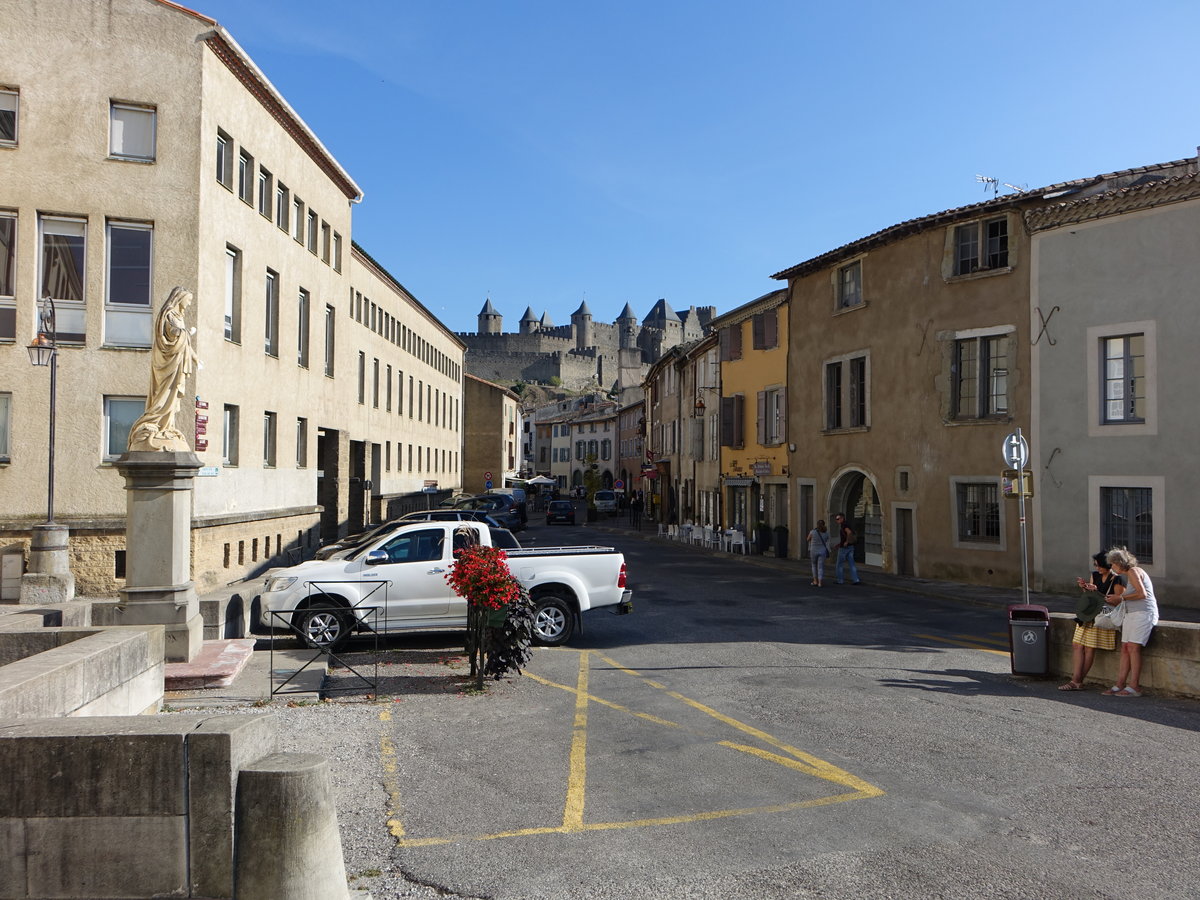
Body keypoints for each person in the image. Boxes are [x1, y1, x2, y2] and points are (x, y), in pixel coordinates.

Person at [127, 286, 198, 452]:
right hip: (167, 363)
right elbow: (172, 333)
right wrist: (188, 332)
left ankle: (166, 426)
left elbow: (185, 344)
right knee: (164, 394)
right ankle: (153, 423)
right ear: (180, 298)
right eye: (188, 300)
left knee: (173, 398)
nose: (189, 304)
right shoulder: (169, 314)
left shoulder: (179, 316)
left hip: (176, 363)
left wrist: (195, 359)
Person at [1059, 552, 1123, 691]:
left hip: (1101, 617)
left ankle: (1077, 681)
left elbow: (1118, 601)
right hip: (1088, 614)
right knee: (1077, 645)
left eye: (1099, 565)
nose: (1097, 567)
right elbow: (1090, 596)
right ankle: (1076, 680)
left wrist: (1098, 591)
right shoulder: (1095, 575)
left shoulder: (1117, 579)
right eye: (1096, 565)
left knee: (1089, 648)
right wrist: (1085, 587)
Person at [1103, 548, 1160, 697]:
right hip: (1132, 613)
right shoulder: (1131, 573)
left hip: (1142, 613)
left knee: (1133, 648)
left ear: (1119, 563)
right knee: (1126, 648)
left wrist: (1120, 598)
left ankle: (1134, 686)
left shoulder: (1134, 571)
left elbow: (1142, 594)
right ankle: (1120, 684)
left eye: (1113, 564)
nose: (1112, 568)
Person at [834, 513, 860, 585]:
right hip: (851, 547)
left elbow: (849, 532)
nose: (837, 520)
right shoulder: (848, 524)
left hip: (844, 548)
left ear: (842, 518)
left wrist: (846, 542)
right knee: (852, 564)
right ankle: (856, 580)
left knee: (839, 564)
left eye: (838, 519)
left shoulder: (844, 525)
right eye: (836, 519)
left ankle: (840, 580)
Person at [807, 520, 831, 587]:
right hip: (822, 551)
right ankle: (820, 583)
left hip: (813, 550)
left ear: (817, 525)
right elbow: (826, 540)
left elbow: (807, 539)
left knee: (814, 565)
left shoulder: (813, 532)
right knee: (820, 567)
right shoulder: (826, 533)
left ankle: (815, 581)